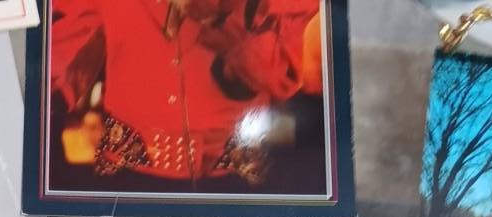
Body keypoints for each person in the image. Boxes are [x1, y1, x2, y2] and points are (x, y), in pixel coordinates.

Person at [50, 0, 323, 188]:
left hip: (237, 180)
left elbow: (301, 49)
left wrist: (238, 57)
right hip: (125, 176)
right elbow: (69, 47)